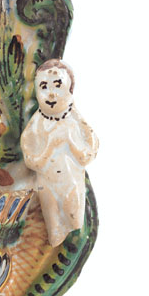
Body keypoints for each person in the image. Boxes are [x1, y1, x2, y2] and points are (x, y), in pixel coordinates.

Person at [21, 59, 98, 246]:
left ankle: (73, 241)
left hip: (72, 183)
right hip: (47, 187)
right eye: (44, 86)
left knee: (76, 221)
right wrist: (49, 147)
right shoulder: (37, 124)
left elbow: (88, 154)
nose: (51, 93)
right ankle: (56, 243)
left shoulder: (75, 121)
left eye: (58, 85)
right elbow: (31, 160)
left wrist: (71, 141)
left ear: (70, 90)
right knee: (54, 232)